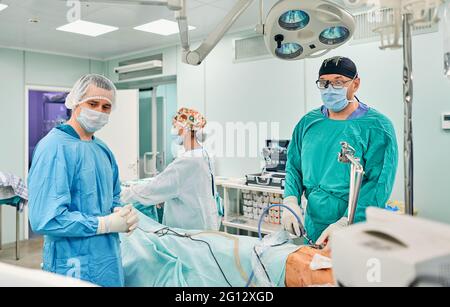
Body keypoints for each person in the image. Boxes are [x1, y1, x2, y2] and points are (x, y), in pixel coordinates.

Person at [28, 74, 139, 287]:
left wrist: (122, 213)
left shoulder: (102, 149)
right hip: (71, 261)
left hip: (107, 258)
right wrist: (103, 224)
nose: (99, 111)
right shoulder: (54, 148)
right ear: (75, 103)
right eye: (93, 103)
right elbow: (45, 218)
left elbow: (113, 196)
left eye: (106, 107)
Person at [281, 56, 398, 245]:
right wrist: (290, 202)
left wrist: (346, 222)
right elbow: (294, 167)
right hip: (313, 222)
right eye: (324, 83)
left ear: (356, 84)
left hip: (355, 224)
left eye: (338, 82)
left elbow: (377, 184)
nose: (329, 89)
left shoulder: (377, 127)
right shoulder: (308, 123)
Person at [121, 107, 222, 231]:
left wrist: (123, 193)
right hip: (206, 221)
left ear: (184, 129)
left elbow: (152, 189)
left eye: (175, 126)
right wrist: (164, 196)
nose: (173, 131)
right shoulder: (204, 155)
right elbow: (189, 188)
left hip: (190, 230)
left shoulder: (187, 161)